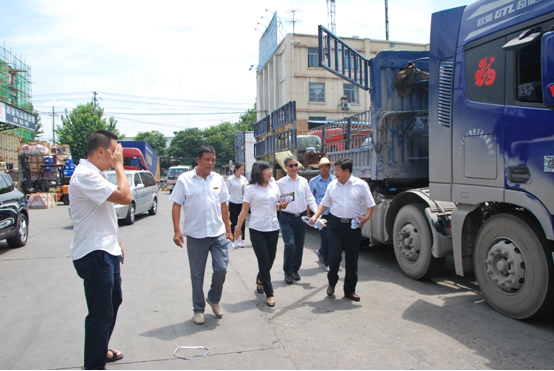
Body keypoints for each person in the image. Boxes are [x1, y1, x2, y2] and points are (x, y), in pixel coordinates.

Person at [69, 130, 132, 369]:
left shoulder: (95, 174)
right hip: (95, 253)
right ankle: (94, 365)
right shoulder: (86, 175)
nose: (117, 154)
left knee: (113, 302)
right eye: (115, 151)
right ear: (101, 151)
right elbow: (125, 197)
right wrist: (119, 166)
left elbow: (103, 213)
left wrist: (117, 240)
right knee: (100, 314)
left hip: (107, 249)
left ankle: (100, 347)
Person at [170, 145, 233, 325]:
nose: (211, 163)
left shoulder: (219, 179)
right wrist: (177, 230)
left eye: (213, 159)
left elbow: (223, 206)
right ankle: (198, 309)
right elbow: (176, 205)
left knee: (221, 268)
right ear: (198, 160)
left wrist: (228, 230)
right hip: (196, 235)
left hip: (217, 233)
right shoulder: (184, 180)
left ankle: (213, 298)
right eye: (207, 159)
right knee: (197, 274)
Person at [308, 158, 375, 301]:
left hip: (353, 226)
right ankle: (331, 282)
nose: (335, 173)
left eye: (338, 170)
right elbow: (324, 204)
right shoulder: (332, 185)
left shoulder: (361, 185)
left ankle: (349, 290)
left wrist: (366, 218)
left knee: (352, 259)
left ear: (347, 171)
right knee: (334, 257)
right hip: (335, 225)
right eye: (335, 170)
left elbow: (371, 204)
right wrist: (315, 216)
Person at [234, 161, 288, 307]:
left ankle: (260, 280)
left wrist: (283, 205)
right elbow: (244, 210)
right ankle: (269, 293)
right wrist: (238, 229)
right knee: (263, 261)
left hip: (273, 227)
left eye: (270, 169)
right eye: (267, 170)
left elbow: (277, 205)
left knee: (270, 259)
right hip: (257, 229)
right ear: (258, 172)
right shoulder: (251, 189)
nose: (270, 172)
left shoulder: (274, 186)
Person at [277, 156, 318, 284]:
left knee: (299, 246)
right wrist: (281, 204)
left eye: (296, 165)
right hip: (286, 218)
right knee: (290, 244)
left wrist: (316, 213)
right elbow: (276, 203)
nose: (294, 168)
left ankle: (295, 269)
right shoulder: (280, 183)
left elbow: (310, 198)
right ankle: (287, 271)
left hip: (300, 218)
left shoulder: (304, 181)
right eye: (291, 166)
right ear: (286, 167)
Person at [309, 157, 336, 272]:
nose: (324, 169)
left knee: (332, 238)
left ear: (330, 168)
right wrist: (310, 214)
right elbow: (310, 199)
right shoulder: (313, 182)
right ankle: (328, 263)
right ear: (319, 168)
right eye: (322, 167)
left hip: (334, 214)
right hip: (321, 215)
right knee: (326, 237)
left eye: (326, 166)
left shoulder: (335, 180)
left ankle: (320, 251)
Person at [226, 162, 248, 247]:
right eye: (240, 169)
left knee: (241, 221)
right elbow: (226, 191)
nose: (242, 171)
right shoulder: (230, 179)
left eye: (243, 169)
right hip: (233, 202)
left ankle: (241, 240)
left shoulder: (244, 179)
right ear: (236, 169)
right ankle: (232, 238)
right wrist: (227, 202)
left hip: (242, 203)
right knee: (234, 221)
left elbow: (246, 191)